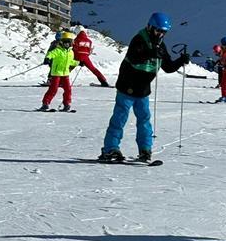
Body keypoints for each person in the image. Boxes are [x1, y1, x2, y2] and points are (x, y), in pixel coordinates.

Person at [97, 12, 188, 163]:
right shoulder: (139, 39)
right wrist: (151, 53)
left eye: (163, 32)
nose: (160, 34)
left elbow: (168, 67)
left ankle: (145, 150)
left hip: (143, 90)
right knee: (119, 119)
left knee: (144, 120)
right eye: (158, 30)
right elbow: (135, 57)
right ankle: (110, 149)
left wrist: (181, 61)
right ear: (150, 27)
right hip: (128, 87)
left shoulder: (160, 46)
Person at [39, 30, 79, 111]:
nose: (66, 44)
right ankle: (45, 104)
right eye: (65, 42)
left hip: (65, 74)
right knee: (53, 89)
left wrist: (78, 62)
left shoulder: (71, 52)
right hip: (56, 73)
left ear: (71, 43)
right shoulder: (58, 50)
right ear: (62, 42)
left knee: (68, 89)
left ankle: (67, 104)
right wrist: (47, 58)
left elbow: (70, 61)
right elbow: (51, 54)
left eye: (68, 42)